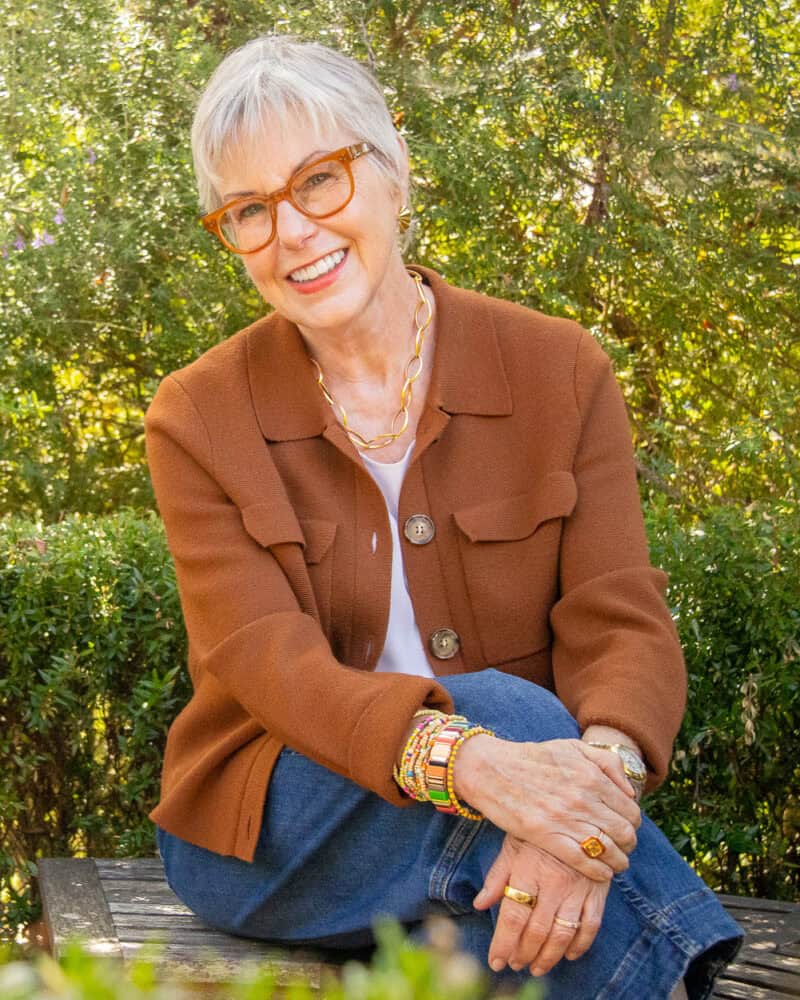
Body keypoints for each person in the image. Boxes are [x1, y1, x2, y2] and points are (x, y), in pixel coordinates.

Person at [147, 34, 742, 998]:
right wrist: (478, 764)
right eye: (250, 210)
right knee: (509, 709)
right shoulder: (198, 415)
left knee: (521, 907)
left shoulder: (561, 369)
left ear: (395, 173)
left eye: (319, 182)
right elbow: (266, 662)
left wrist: (581, 803)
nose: (292, 231)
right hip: (276, 834)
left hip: (503, 826)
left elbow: (620, 621)